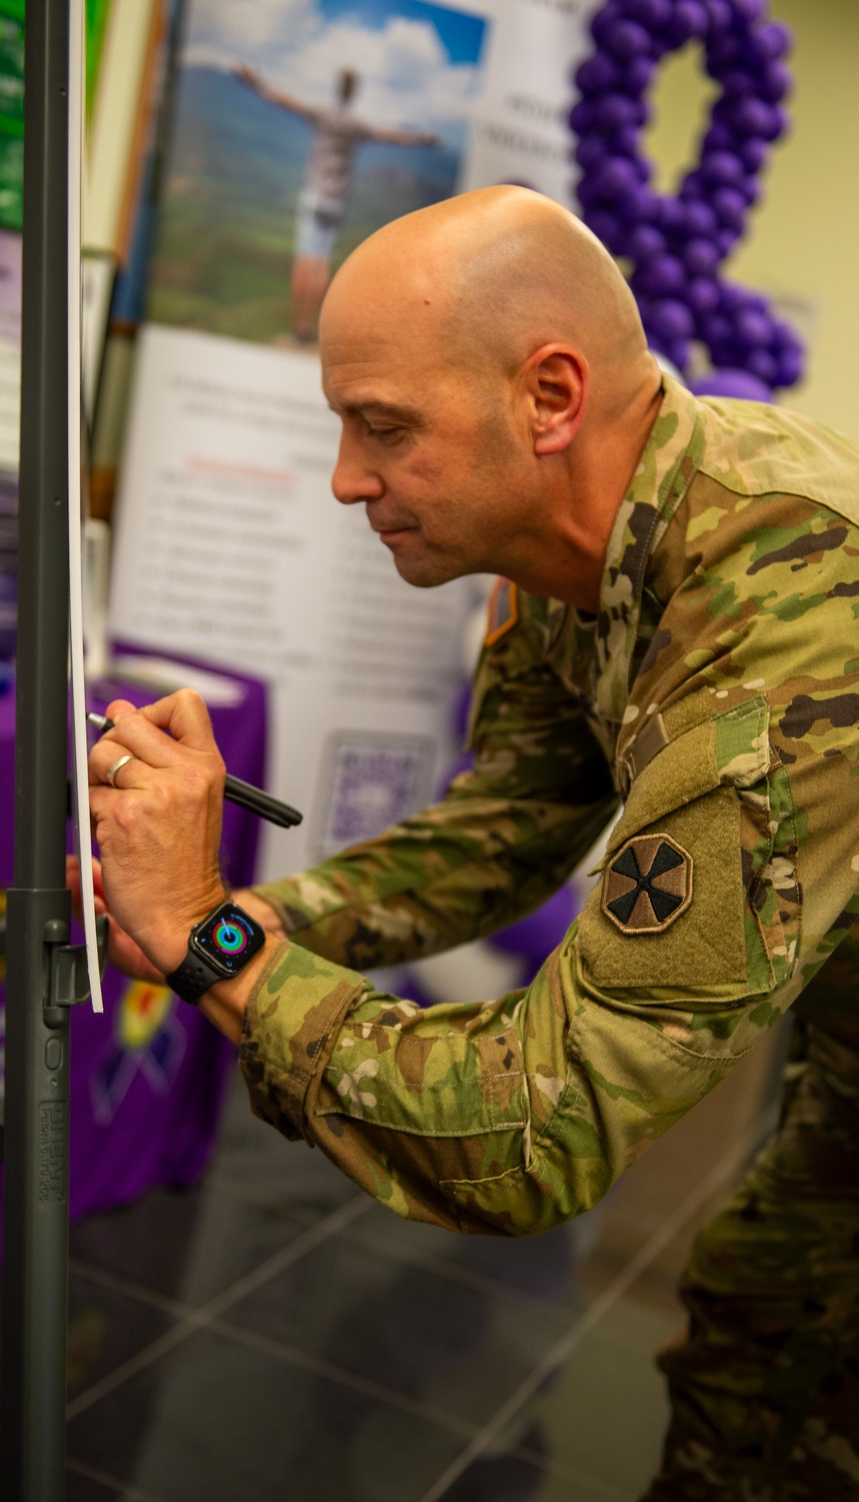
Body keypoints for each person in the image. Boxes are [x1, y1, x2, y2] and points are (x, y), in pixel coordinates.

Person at [83, 188, 859, 1499]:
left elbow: (532, 1134)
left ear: (549, 397)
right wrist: (263, 913)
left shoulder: (793, 605)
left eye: (384, 427)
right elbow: (501, 833)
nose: (346, 479)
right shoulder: (575, 550)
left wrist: (209, 939)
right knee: (760, 1341)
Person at [233, 64, 438, 344]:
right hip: (335, 201)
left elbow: (285, 102)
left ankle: (298, 328)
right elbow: (389, 135)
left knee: (304, 262)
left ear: (337, 89)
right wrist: (421, 140)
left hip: (315, 195)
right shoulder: (356, 125)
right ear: (354, 93)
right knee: (321, 265)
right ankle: (311, 329)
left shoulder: (322, 114)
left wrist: (257, 85)